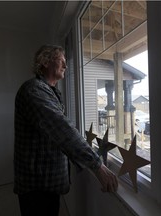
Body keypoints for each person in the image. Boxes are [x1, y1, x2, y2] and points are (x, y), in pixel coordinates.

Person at [14, 45, 118, 216]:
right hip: (36, 187)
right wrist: (97, 165)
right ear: (45, 62)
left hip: (46, 184)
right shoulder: (34, 90)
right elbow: (62, 130)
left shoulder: (49, 92)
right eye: (61, 60)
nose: (66, 65)